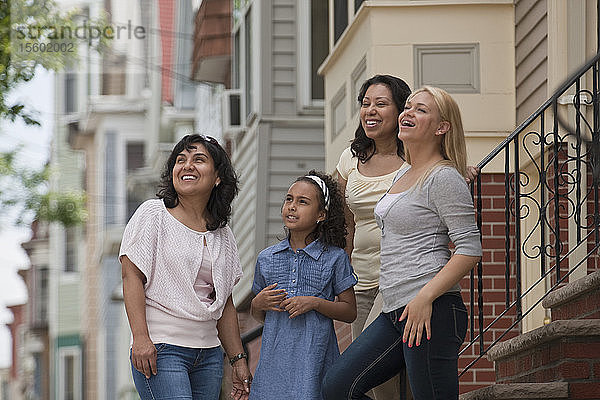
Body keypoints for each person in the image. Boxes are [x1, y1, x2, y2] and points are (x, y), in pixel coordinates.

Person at [323, 87, 483, 399]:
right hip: (395, 309)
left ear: (442, 127)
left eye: (420, 110)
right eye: (407, 107)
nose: (407, 113)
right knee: (337, 387)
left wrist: (424, 299)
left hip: (430, 308)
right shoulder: (406, 172)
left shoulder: (444, 177)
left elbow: (469, 249)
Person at [120, 134, 252, 400]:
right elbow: (131, 276)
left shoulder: (222, 233)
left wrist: (238, 359)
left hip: (209, 355)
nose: (187, 165)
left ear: (217, 177)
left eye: (198, 159)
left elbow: (224, 301)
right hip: (163, 349)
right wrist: (141, 338)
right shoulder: (153, 215)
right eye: (181, 160)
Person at [249, 170, 358, 400]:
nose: (292, 206)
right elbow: (260, 315)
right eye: (289, 199)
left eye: (302, 202)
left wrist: (316, 303)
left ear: (321, 214)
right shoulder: (266, 259)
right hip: (273, 367)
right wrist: (257, 303)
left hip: (315, 363)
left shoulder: (335, 258)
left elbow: (349, 312)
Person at [335, 74, 411, 398]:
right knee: (375, 375)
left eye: (381, 104)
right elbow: (344, 223)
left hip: (399, 278)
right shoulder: (350, 159)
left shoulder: (415, 156)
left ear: (400, 111)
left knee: (371, 361)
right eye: (366, 104)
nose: (371, 111)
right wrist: (340, 274)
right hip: (360, 281)